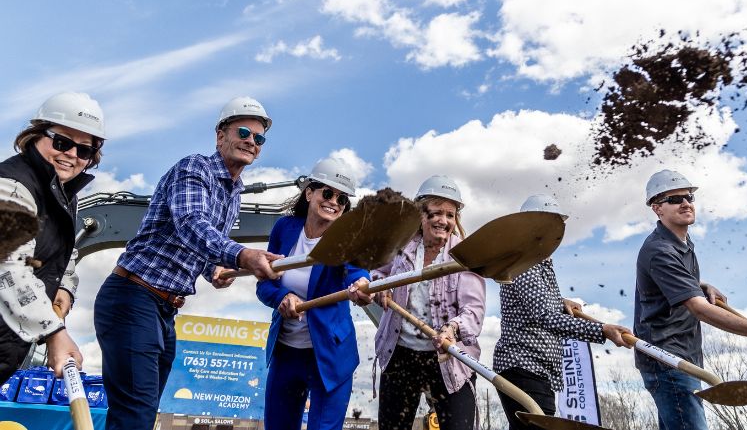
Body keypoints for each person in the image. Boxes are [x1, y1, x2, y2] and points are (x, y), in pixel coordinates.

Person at [94, 96, 281, 430]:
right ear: (220, 135)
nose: (252, 141)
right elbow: (191, 222)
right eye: (243, 132)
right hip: (133, 296)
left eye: (259, 138)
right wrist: (241, 255)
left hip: (163, 309)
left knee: (138, 412)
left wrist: (213, 269)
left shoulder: (234, 193)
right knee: (135, 412)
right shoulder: (195, 168)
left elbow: (192, 244)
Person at [635, 169, 747, 430]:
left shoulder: (682, 242)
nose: (686, 203)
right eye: (674, 199)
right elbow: (700, 310)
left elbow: (667, 285)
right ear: (657, 209)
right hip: (668, 360)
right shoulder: (660, 250)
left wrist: (700, 284)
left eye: (689, 197)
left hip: (684, 356)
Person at [493, 194, 632, 429]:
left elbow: (539, 302)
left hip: (538, 369)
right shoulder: (524, 263)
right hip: (524, 364)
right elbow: (546, 317)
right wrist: (602, 330)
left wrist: (560, 301)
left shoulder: (541, 263)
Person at [257, 157, 373, 430]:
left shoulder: (347, 238)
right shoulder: (284, 229)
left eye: (342, 199)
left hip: (331, 355)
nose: (334, 201)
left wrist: (363, 285)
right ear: (309, 192)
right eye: (328, 193)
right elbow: (264, 284)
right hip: (286, 353)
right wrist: (282, 298)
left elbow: (357, 272)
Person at [0, 92, 107, 382]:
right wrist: (54, 332)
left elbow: (65, 253)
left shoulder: (63, 196)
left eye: (84, 150)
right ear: (35, 135)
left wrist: (65, 287)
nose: (72, 155)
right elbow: (8, 269)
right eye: (62, 142)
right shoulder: (12, 185)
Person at [373, 175, 484, 430]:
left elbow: (473, 310)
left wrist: (453, 328)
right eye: (435, 213)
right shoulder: (401, 247)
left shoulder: (466, 254)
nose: (442, 221)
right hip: (400, 356)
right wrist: (380, 288)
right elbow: (377, 274)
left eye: (449, 214)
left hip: (449, 358)